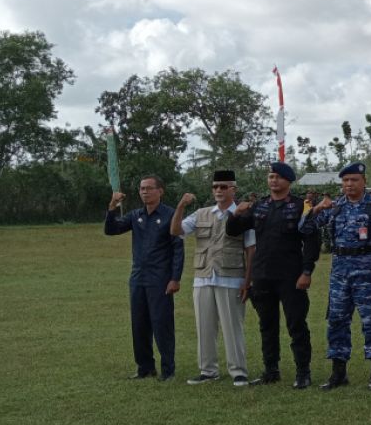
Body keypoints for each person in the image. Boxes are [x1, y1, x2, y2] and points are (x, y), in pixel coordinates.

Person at [303, 162, 371, 391]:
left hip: (368, 273)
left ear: (364, 181)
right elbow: (306, 229)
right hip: (340, 274)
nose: (349, 185)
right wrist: (316, 209)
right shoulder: (335, 207)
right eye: (345, 181)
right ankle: (338, 373)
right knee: (336, 321)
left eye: (354, 180)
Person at [227, 162, 320, 388]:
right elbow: (233, 231)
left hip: (291, 275)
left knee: (296, 324)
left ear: (288, 181)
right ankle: (271, 370)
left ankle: (303, 372)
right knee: (266, 325)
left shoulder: (300, 207)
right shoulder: (259, 206)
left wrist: (307, 271)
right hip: (263, 274)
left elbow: (312, 241)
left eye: (278, 177)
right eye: (270, 176)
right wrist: (235, 214)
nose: (273, 180)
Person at [169, 170, 254, 387]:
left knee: (232, 327)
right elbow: (175, 230)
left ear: (233, 189)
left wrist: (247, 280)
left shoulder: (244, 214)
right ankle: (208, 371)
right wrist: (181, 206)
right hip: (203, 277)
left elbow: (251, 249)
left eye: (223, 186)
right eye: (215, 186)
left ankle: (239, 371)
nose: (218, 190)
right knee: (204, 327)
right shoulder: (201, 213)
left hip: (231, 276)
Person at [104, 175, 184, 380]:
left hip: (160, 279)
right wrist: (112, 207)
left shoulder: (170, 215)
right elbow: (111, 230)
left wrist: (175, 278)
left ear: (160, 191)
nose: (144, 192)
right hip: (138, 277)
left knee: (161, 324)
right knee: (139, 324)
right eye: (142, 189)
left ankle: (168, 370)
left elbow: (178, 249)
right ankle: (145, 367)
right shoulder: (136, 215)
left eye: (149, 188)